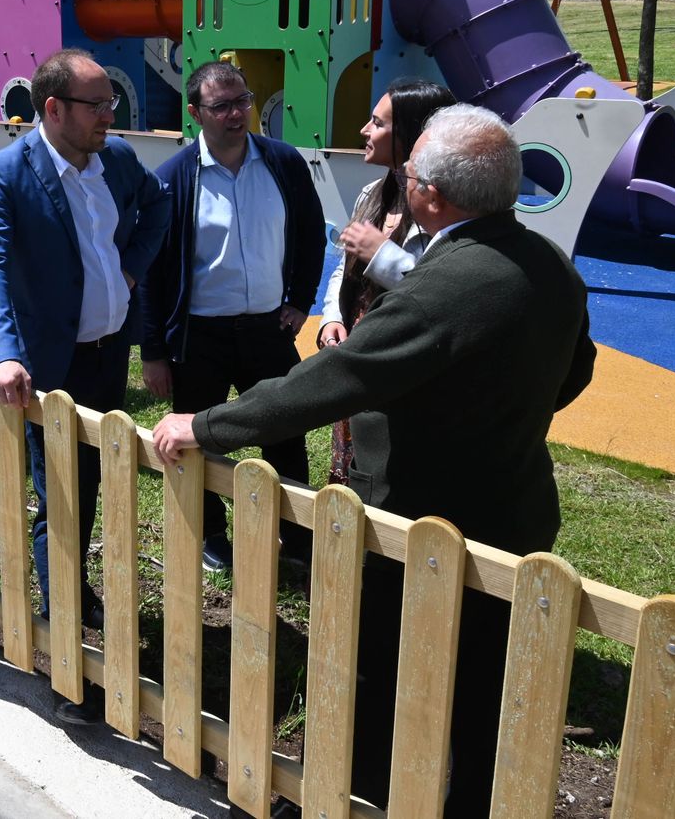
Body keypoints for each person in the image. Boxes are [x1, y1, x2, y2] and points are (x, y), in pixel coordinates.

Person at [151, 105, 595, 816]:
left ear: (431, 198)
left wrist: (205, 423)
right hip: (517, 514)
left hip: (420, 524)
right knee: (485, 687)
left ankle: (352, 800)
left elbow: (328, 383)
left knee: (382, 678)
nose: (405, 179)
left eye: (412, 171)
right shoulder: (550, 265)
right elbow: (574, 374)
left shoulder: (440, 289)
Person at [0, 47, 169, 724]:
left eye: (111, 104)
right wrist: (2, 352)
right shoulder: (5, 174)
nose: (110, 116)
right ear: (52, 110)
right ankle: (66, 663)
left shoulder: (115, 161)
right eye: (97, 106)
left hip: (108, 359)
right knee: (61, 500)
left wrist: (132, 267)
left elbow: (156, 206)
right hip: (51, 367)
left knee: (95, 485)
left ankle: (75, 589)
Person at [138, 60, 325, 571]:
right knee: (199, 440)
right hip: (201, 337)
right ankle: (212, 536)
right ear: (196, 112)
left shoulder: (283, 163)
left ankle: (299, 540)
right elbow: (151, 274)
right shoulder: (173, 179)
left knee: (285, 433)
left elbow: (311, 235)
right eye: (221, 106)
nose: (237, 113)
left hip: (268, 329)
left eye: (242, 100)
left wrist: (301, 300)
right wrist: (153, 351)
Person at [314, 79, 456, 482]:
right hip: (362, 355)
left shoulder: (441, 206)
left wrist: (382, 255)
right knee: (352, 469)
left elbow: (445, 293)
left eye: (377, 123)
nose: (364, 130)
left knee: (392, 470)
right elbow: (346, 269)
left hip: (406, 362)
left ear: (411, 134)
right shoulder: (372, 194)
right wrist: (331, 318)